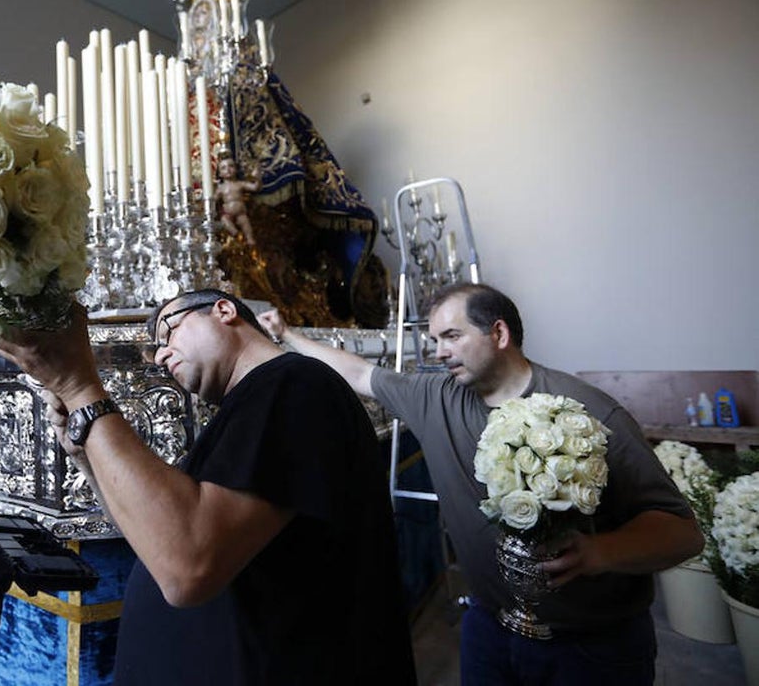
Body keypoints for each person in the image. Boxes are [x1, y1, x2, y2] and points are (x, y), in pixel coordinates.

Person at [259, 282, 704, 685]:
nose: (438, 352)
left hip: (591, 644)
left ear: (499, 333)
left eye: (451, 337)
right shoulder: (435, 398)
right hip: (489, 629)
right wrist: (287, 334)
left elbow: (682, 531)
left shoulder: (587, 412)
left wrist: (598, 553)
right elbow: (359, 374)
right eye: (434, 340)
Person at [0, 289, 417, 685]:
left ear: (224, 310)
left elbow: (188, 565)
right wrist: (86, 454)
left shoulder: (294, 383)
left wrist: (79, 387)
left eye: (168, 330)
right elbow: (155, 537)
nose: (160, 356)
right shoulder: (253, 404)